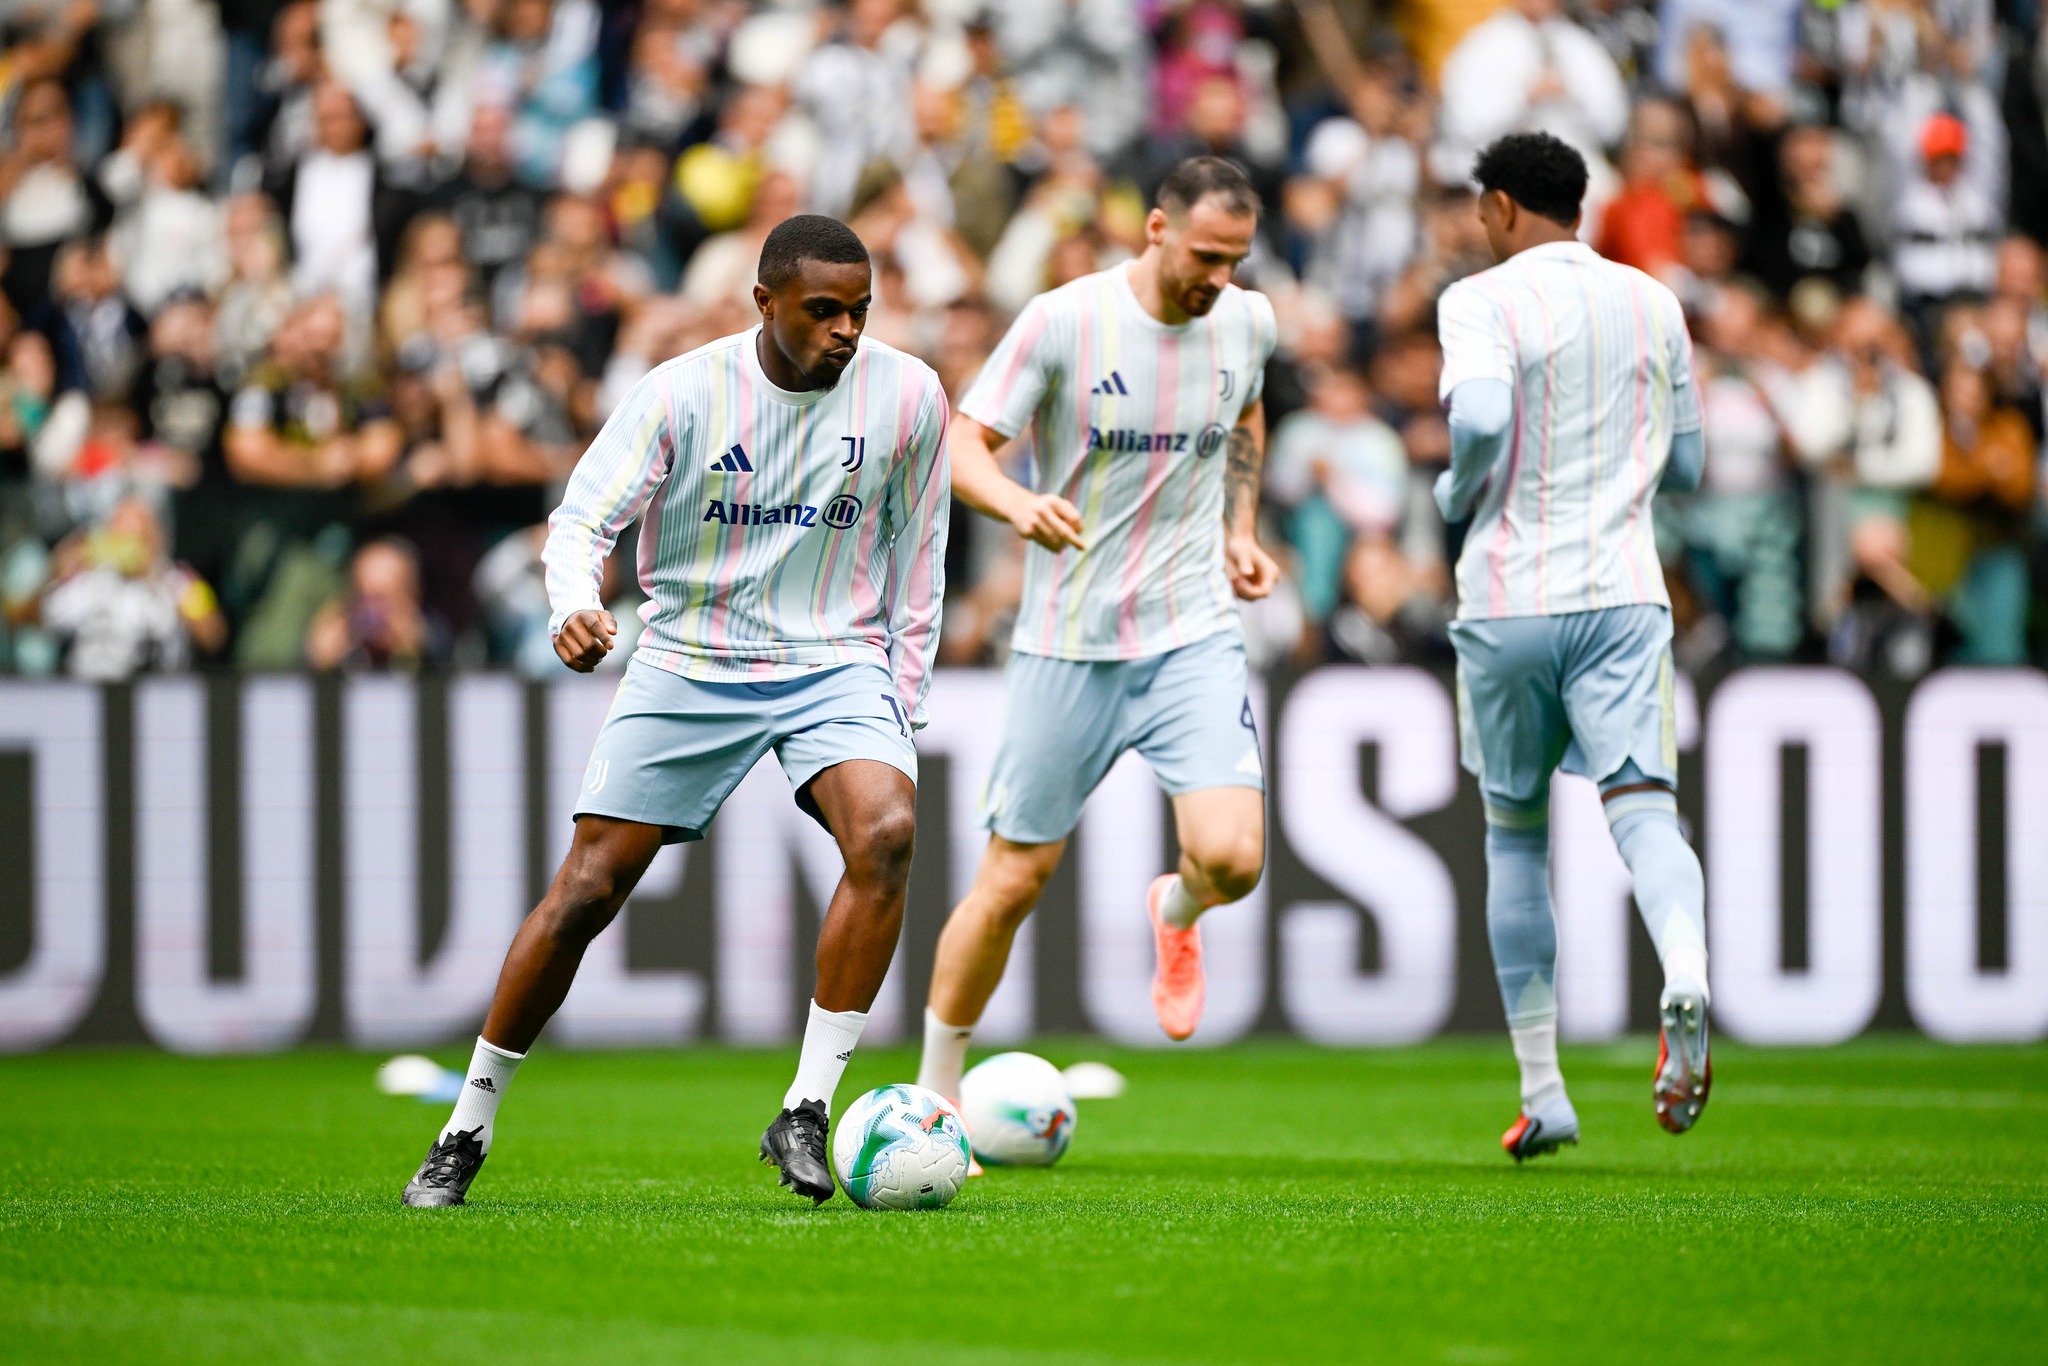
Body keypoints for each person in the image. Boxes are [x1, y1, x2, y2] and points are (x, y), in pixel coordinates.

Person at [399, 214, 948, 1209]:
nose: (845, 331)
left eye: (858, 310)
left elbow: (919, 554)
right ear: (762, 303)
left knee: (889, 831)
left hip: (832, 656)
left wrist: (902, 698)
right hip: (691, 656)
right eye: (822, 310)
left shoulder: (908, 394)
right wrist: (574, 605)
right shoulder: (682, 393)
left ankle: (806, 1109)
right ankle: (465, 1127)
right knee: (586, 892)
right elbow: (581, 521)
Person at [912, 157, 1279, 1115]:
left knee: (1235, 859)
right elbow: (963, 444)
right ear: (1155, 229)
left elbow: (1244, 410)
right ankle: (936, 1095)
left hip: (1191, 632)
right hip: (1066, 641)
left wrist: (1239, 528)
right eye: (1205, 255)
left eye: (1235, 260)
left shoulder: (1246, 321)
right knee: (1013, 879)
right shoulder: (1064, 319)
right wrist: (1016, 504)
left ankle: (1179, 908)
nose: (1218, 279)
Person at [1432, 132, 1712, 1161]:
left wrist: (1459, 493)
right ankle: (1681, 966)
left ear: (1501, 207)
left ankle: (1542, 1087)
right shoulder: (1653, 302)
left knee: (1514, 835)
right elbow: (1686, 465)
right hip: (1621, 591)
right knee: (1642, 811)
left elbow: (1479, 414)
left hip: (1508, 595)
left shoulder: (1479, 300)